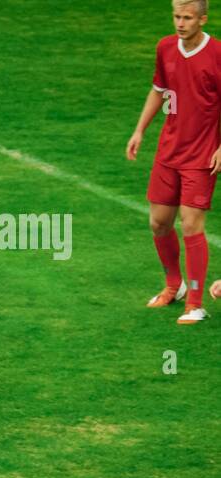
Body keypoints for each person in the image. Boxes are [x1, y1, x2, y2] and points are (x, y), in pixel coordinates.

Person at [126, 0, 221, 324]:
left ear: (202, 19)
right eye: (176, 16)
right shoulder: (165, 48)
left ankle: (194, 302)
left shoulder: (217, 54)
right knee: (159, 223)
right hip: (169, 152)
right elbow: (158, 90)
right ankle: (174, 285)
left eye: (187, 18)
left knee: (192, 225)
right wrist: (139, 130)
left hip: (201, 155)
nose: (180, 23)